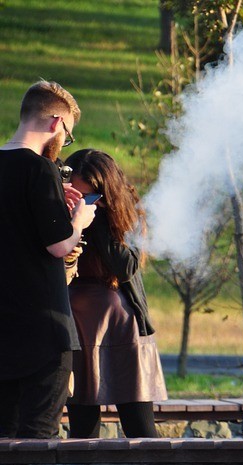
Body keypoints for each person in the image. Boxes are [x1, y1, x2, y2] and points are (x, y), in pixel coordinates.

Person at [0, 80, 96, 438]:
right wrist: (79, 220)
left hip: (4, 327)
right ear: (56, 122)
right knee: (38, 439)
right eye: (68, 134)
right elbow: (58, 246)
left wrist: (53, 193)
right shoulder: (39, 169)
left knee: (4, 436)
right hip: (42, 331)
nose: (64, 142)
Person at [63, 148, 167, 438]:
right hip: (77, 326)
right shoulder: (58, 212)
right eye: (76, 195)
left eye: (90, 197)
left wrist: (94, 221)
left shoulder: (124, 213)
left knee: (140, 428)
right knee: (82, 430)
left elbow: (127, 267)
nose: (80, 203)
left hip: (120, 326)